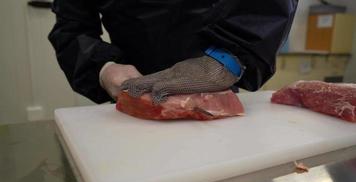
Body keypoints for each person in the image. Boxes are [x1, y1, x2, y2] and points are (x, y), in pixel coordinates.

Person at [49, 0, 298, 104]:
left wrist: (231, 57)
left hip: (213, 83)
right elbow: (71, 29)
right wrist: (103, 67)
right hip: (134, 93)